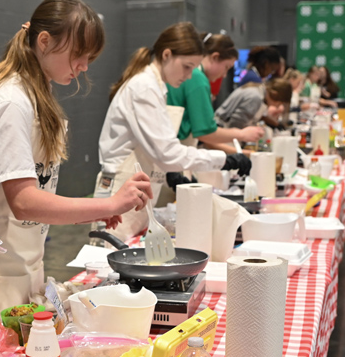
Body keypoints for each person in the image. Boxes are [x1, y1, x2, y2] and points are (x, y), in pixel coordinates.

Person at [0, 0, 153, 316]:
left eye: (90, 57)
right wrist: (108, 203)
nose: (84, 67)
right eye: (79, 55)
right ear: (45, 42)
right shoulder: (11, 103)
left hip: (24, 261)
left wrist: (92, 209)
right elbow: (24, 202)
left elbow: (37, 192)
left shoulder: (37, 96)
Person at [96, 22, 252, 239]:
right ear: (167, 54)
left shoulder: (156, 87)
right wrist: (224, 160)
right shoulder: (144, 88)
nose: (189, 76)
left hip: (136, 194)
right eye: (187, 67)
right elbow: (168, 154)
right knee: (108, 264)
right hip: (120, 193)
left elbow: (162, 150)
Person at [167, 32, 264, 155]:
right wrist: (242, 134)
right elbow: (205, 132)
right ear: (214, 57)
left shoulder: (195, 76)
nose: (224, 75)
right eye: (226, 67)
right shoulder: (197, 78)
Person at [214, 77, 292, 131]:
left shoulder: (259, 91)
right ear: (275, 94)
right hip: (222, 130)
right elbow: (235, 124)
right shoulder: (256, 97)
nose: (278, 106)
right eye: (280, 102)